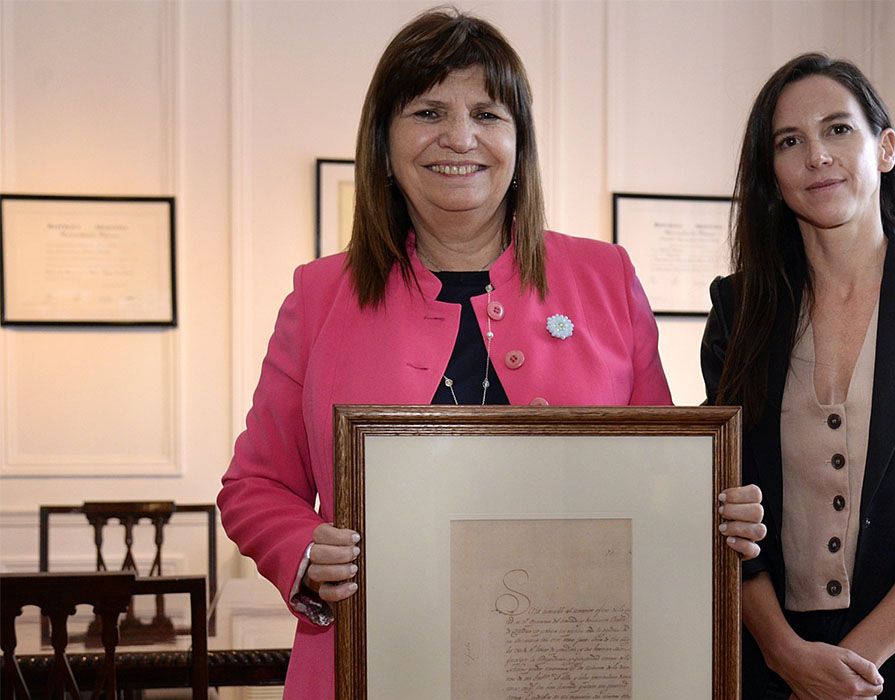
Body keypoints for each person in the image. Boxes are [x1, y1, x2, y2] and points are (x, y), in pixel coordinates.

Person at [218, 8, 765, 697]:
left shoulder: (606, 279)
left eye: (487, 113)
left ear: (520, 142)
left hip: (574, 665)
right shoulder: (318, 294)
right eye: (427, 111)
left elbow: (656, 472)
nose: (459, 137)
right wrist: (305, 552)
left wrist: (712, 509)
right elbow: (253, 486)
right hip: (374, 661)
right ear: (384, 144)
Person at [701, 53, 895, 699]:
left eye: (838, 129)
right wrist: (787, 655)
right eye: (789, 141)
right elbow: (721, 502)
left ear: (885, 149)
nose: (816, 154)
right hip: (772, 664)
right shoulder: (740, 306)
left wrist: (848, 663)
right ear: (773, 174)